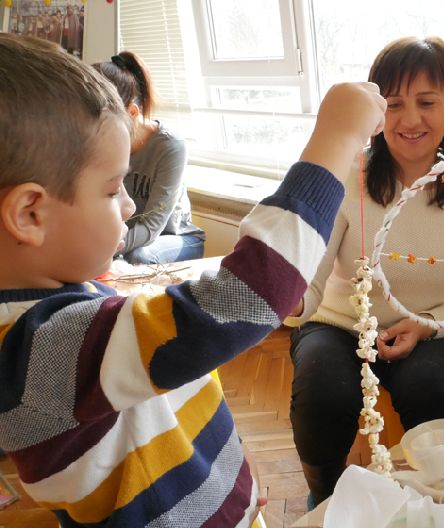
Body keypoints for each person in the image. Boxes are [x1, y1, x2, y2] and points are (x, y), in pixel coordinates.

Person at [0, 33, 385, 526]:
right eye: (113, 189)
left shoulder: (64, 307)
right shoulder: (36, 350)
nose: (130, 206)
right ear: (30, 214)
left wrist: (229, 473)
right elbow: (246, 297)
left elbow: (164, 400)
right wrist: (336, 139)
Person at [285, 35, 444, 508]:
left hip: (427, 326)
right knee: (323, 392)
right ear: (376, 112)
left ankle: (433, 499)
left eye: (427, 102)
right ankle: (324, 495)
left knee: (430, 391)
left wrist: (426, 325)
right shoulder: (349, 174)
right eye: (395, 104)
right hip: (339, 323)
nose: (410, 120)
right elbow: (312, 280)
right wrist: (285, 298)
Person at [93, 51, 206, 265]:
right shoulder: (101, 143)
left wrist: (102, 247)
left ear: (132, 112)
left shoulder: (171, 146)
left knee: (137, 257)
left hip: (177, 237)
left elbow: (152, 226)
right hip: (125, 236)